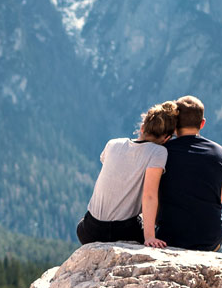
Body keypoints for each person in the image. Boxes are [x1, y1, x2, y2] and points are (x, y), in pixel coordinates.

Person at [77, 101, 179, 248]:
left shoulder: (113, 144)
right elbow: (149, 195)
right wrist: (150, 236)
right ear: (166, 138)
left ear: (142, 128)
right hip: (122, 231)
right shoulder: (158, 152)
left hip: (90, 229)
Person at [155, 95, 222, 251]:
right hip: (210, 241)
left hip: (170, 238)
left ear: (174, 124)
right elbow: (218, 199)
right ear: (202, 123)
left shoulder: (161, 152)